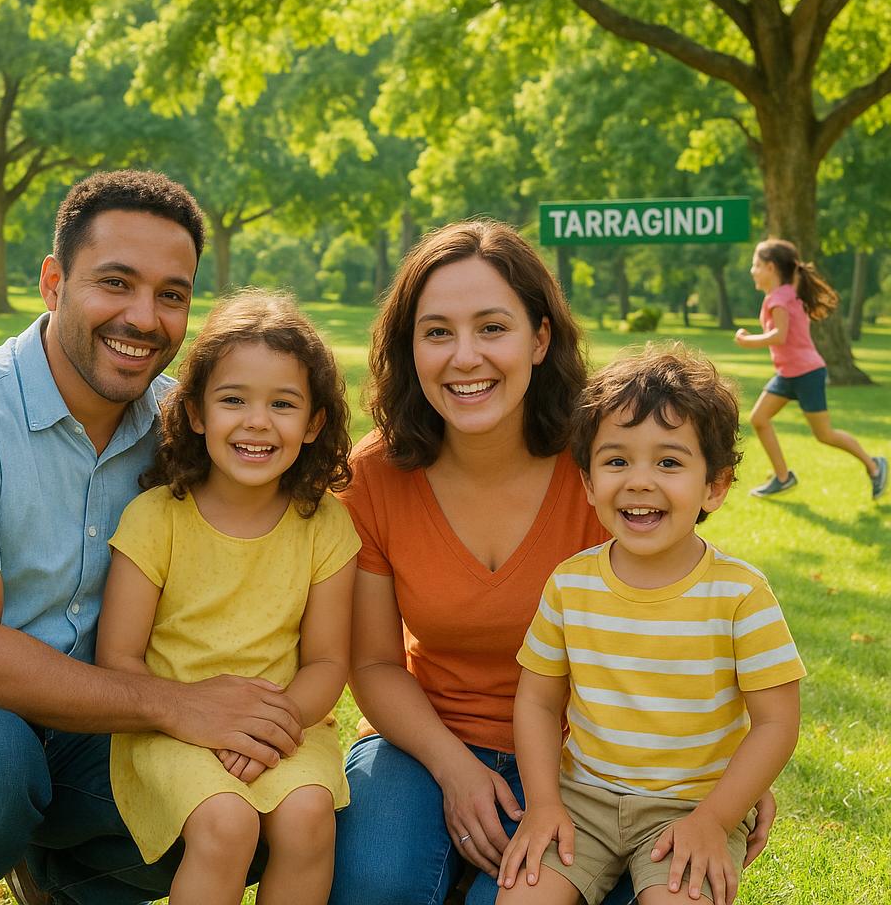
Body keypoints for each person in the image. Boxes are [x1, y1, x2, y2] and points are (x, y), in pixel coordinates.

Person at [0, 171, 304, 905]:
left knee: (255, 796)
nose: (144, 317)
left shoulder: (184, 428)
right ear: (53, 283)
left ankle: (59, 879)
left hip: (95, 722)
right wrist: (176, 705)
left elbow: (289, 507)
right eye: (115, 283)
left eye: (172, 294)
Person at [328, 219, 769, 905]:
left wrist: (722, 774)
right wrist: (455, 771)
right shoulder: (376, 474)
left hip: (594, 769)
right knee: (374, 884)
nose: (465, 357)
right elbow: (375, 664)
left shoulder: (606, 466)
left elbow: (681, 616)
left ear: (539, 339)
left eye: (492, 328)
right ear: (409, 348)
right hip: (423, 741)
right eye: (436, 332)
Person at [497, 346, 804, 905]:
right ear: (588, 483)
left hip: (693, 807)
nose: (639, 482)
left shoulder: (741, 595)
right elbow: (538, 702)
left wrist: (715, 820)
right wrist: (543, 804)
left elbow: (776, 724)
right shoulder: (569, 584)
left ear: (715, 485)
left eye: (668, 463)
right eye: (616, 462)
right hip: (581, 800)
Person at [96, 290, 360, 905]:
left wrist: (269, 730)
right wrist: (203, 723)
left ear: (314, 423)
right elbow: (118, 659)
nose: (257, 422)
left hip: (287, 725)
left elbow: (327, 662)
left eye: (283, 404)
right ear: (195, 413)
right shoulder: (155, 519)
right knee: (227, 821)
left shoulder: (325, 524)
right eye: (233, 400)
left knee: (309, 815)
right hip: (168, 727)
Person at [734, 237, 887, 499]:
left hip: (806, 373)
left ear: (771, 267)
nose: (752, 271)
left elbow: (780, 335)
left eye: (756, 265)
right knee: (759, 419)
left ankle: (875, 466)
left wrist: (747, 341)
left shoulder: (779, 298)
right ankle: (783, 478)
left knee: (824, 434)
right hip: (788, 373)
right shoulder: (787, 292)